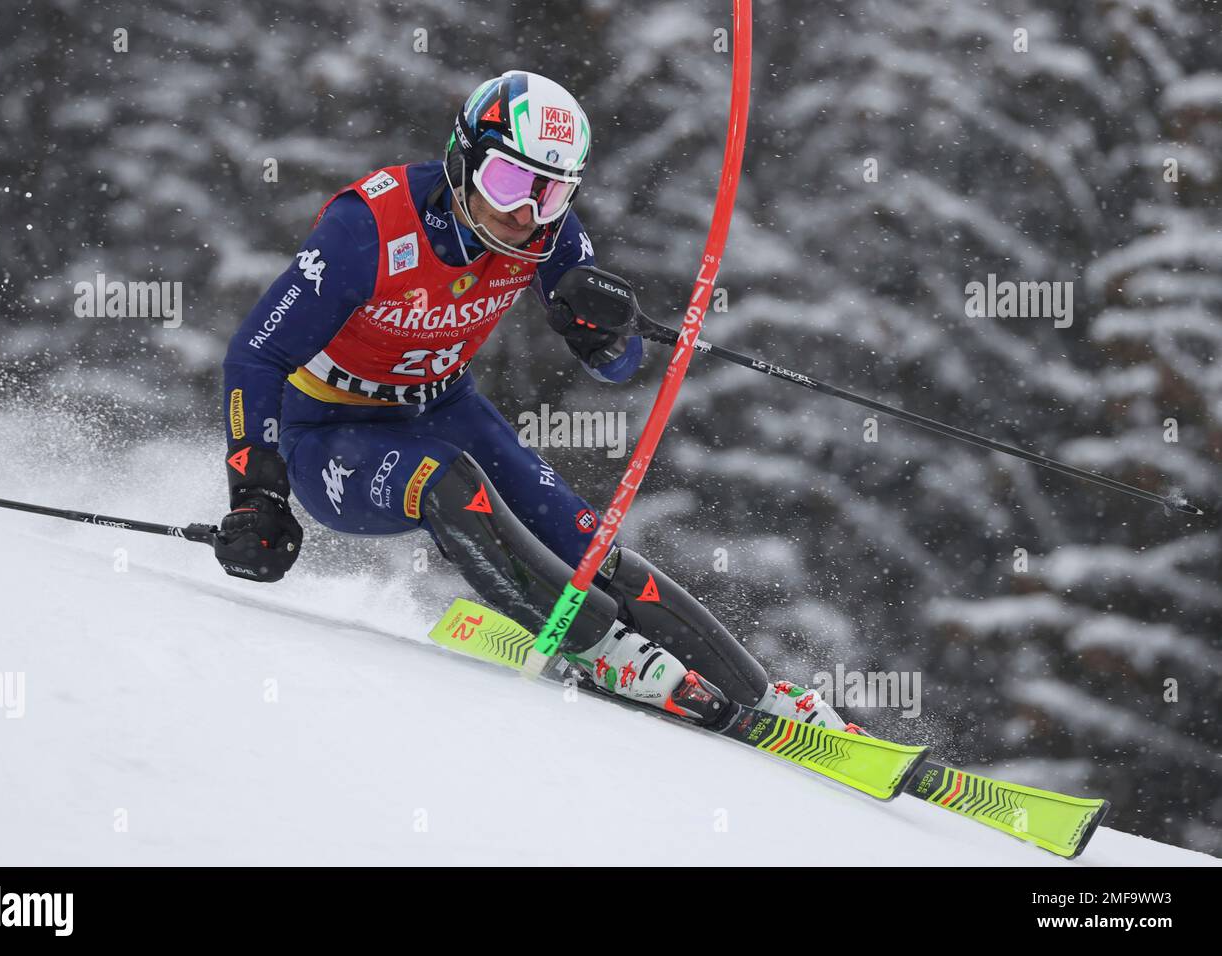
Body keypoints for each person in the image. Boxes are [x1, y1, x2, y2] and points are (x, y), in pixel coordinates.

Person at [215, 69, 853, 733]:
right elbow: (256, 355)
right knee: (447, 485)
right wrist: (257, 493)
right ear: (464, 160)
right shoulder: (368, 229)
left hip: (443, 406)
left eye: (552, 193)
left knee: (590, 545)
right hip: (327, 429)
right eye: (510, 183)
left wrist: (603, 338)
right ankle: (600, 649)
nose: (526, 214)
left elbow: (620, 365)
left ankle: (768, 699)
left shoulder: (550, 235)